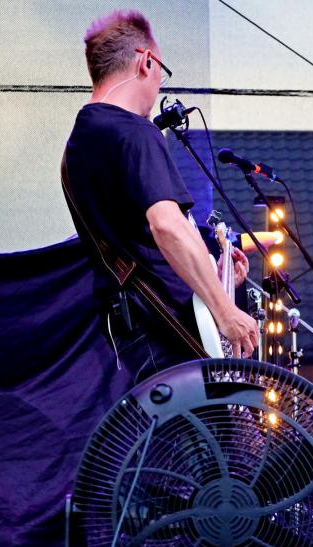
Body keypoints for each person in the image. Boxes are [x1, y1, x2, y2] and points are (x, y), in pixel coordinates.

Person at [62, 10, 257, 383]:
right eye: (160, 72)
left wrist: (216, 279)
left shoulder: (76, 147)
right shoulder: (135, 132)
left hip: (132, 331)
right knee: (214, 421)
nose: (158, 87)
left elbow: (135, 242)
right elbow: (167, 226)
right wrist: (225, 311)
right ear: (146, 61)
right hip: (168, 330)